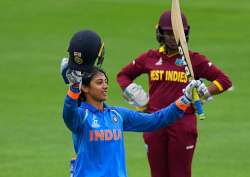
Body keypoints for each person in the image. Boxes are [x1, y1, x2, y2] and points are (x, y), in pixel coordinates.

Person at [116, 10, 232, 177]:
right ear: (160, 33)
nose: (171, 37)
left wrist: (205, 92)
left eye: (176, 32)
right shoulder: (150, 57)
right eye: (168, 32)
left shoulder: (194, 60)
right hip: (154, 123)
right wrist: (133, 92)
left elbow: (224, 80)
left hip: (182, 124)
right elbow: (123, 75)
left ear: (185, 33)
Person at [62, 64, 201, 177]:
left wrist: (185, 99)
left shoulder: (116, 114)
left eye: (106, 82)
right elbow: (69, 112)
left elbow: (155, 120)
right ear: (85, 87)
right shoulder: (81, 116)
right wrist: (74, 87)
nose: (105, 86)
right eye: (99, 83)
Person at [60, 29, 105, 177]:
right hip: (92, 160)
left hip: (80, 154)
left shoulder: (67, 71)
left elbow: (67, 68)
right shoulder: (90, 83)